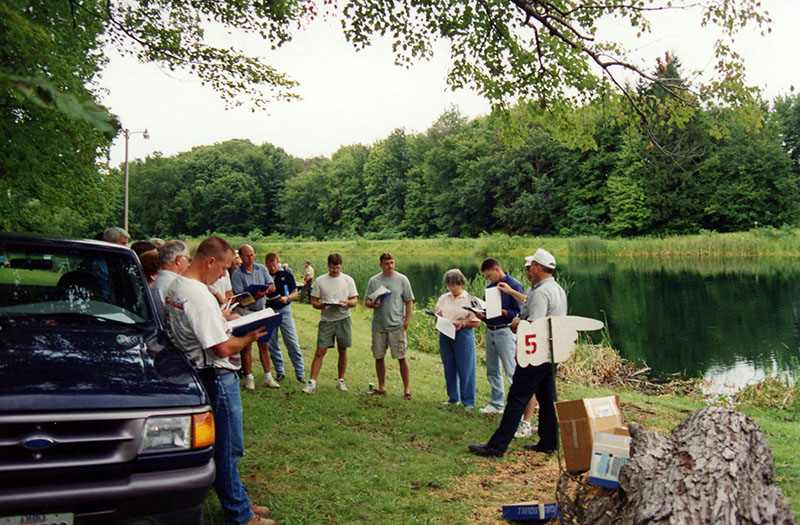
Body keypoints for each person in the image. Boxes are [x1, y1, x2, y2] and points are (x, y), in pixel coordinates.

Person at [162, 236, 274, 525]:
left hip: (198, 372)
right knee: (228, 448)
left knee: (223, 446)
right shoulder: (198, 295)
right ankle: (239, 513)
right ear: (209, 261)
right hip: (217, 375)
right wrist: (249, 336)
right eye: (224, 268)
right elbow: (221, 348)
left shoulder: (178, 287)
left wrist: (221, 317)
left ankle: (239, 499)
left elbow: (198, 327)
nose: (225, 274)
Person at [469, 248, 567, 458]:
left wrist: (517, 324)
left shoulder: (540, 292)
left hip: (536, 353)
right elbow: (529, 302)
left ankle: (496, 446)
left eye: (530, 267)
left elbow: (534, 325)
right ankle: (549, 442)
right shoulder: (554, 288)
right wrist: (512, 293)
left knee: (517, 397)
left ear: (538, 267)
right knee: (547, 398)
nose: (528, 271)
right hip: (551, 352)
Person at [475, 257, 525, 415]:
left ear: (497, 270)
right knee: (492, 369)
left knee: (511, 368)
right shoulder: (490, 288)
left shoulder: (514, 286)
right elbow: (486, 309)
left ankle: (519, 404)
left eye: (489, 275)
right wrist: (481, 315)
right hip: (490, 329)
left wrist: (503, 312)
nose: (488, 279)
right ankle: (496, 403)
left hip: (506, 330)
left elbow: (520, 313)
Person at [302, 253, 358, 394]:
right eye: (332, 268)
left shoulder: (348, 280)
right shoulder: (320, 280)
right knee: (320, 350)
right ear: (328, 265)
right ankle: (312, 382)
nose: (334, 270)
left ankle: (340, 380)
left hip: (343, 318)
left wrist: (347, 303)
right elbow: (314, 301)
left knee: (343, 349)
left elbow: (354, 301)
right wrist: (321, 305)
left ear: (341, 266)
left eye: (337, 268)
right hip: (326, 320)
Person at [364, 252, 415, 399]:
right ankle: (382, 387)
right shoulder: (374, 281)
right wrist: (373, 304)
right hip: (379, 325)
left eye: (392, 263)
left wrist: (407, 321)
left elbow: (409, 301)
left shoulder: (402, 279)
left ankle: (406, 390)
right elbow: (366, 301)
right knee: (379, 356)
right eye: (386, 264)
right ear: (381, 265)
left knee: (401, 356)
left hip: (396, 325)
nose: (390, 266)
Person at [230, 244, 277, 390]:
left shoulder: (261, 269)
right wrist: (255, 296)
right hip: (246, 311)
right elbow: (239, 298)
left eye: (252, 255)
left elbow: (273, 286)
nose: (250, 258)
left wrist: (267, 289)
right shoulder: (237, 274)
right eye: (247, 256)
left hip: (260, 310)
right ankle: (249, 377)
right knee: (247, 345)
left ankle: (268, 376)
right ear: (241, 257)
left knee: (264, 344)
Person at [435, 269, 480, 409]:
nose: (451, 289)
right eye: (449, 286)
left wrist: (464, 323)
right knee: (449, 365)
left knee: (466, 367)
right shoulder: (444, 298)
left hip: (463, 334)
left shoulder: (471, 300)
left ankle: (468, 401)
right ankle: (453, 397)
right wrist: (439, 318)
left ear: (460, 283)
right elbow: (438, 313)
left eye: (453, 285)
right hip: (446, 332)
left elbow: (477, 322)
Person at [264, 252, 305, 384]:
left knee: (291, 341)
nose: (272, 268)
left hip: (284, 309)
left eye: (274, 265)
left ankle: (300, 373)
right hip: (269, 310)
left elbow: (295, 292)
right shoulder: (264, 276)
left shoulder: (286, 274)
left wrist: (286, 298)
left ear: (278, 263)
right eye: (270, 266)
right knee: (273, 342)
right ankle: (279, 371)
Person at [151, 240, 190, 322]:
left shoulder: (157, 282)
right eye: (188, 259)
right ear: (178, 260)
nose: (188, 264)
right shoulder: (175, 284)